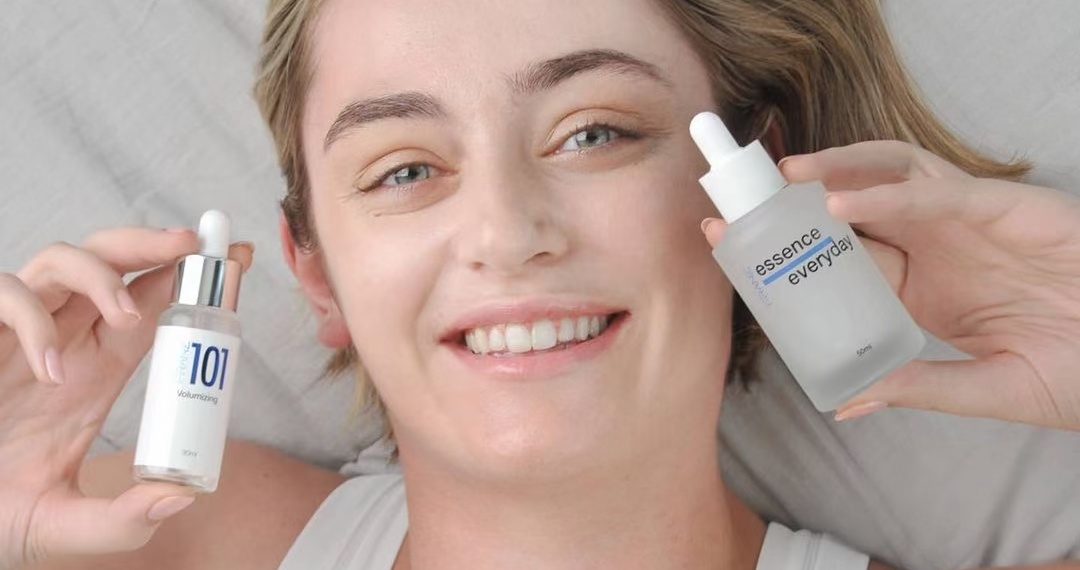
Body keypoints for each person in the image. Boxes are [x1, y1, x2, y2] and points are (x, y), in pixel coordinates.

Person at [2, 0, 1078, 568]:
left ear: (757, 202)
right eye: (405, 169)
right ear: (317, 275)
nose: (507, 234)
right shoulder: (174, 534)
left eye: (594, 132)